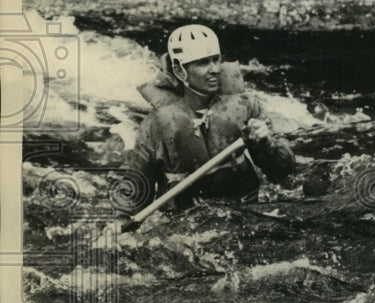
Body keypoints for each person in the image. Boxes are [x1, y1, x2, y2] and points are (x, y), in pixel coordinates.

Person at [119, 24, 296, 214]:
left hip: (245, 211)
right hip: (187, 223)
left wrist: (266, 144)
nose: (215, 70)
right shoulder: (155, 126)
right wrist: (119, 223)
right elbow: (134, 194)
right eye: (203, 63)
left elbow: (282, 173)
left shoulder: (247, 106)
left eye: (216, 60)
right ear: (180, 71)